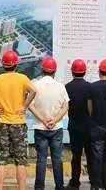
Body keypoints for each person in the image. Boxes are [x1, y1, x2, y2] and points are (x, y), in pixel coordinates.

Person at [0, 50, 37, 190]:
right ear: (16, 64)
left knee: (1, 159)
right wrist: (24, 106)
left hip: (2, 122)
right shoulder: (22, 78)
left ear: (3, 65)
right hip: (18, 123)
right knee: (20, 161)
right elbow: (34, 91)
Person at [30, 56, 70, 190]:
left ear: (42, 70)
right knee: (57, 159)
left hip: (40, 127)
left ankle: (39, 187)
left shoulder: (35, 85)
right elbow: (66, 106)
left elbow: (30, 105)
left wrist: (43, 120)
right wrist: (55, 120)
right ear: (55, 71)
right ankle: (59, 186)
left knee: (41, 159)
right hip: (56, 128)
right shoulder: (60, 86)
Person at [88, 58, 106, 190]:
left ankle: (96, 185)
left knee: (97, 157)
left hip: (96, 126)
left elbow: (89, 108)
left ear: (99, 71)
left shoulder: (92, 87)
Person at [66, 58, 94, 190]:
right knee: (90, 155)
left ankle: (75, 182)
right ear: (85, 71)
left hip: (74, 126)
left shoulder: (67, 87)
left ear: (72, 71)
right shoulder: (90, 87)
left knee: (76, 155)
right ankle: (93, 181)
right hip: (88, 126)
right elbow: (91, 107)